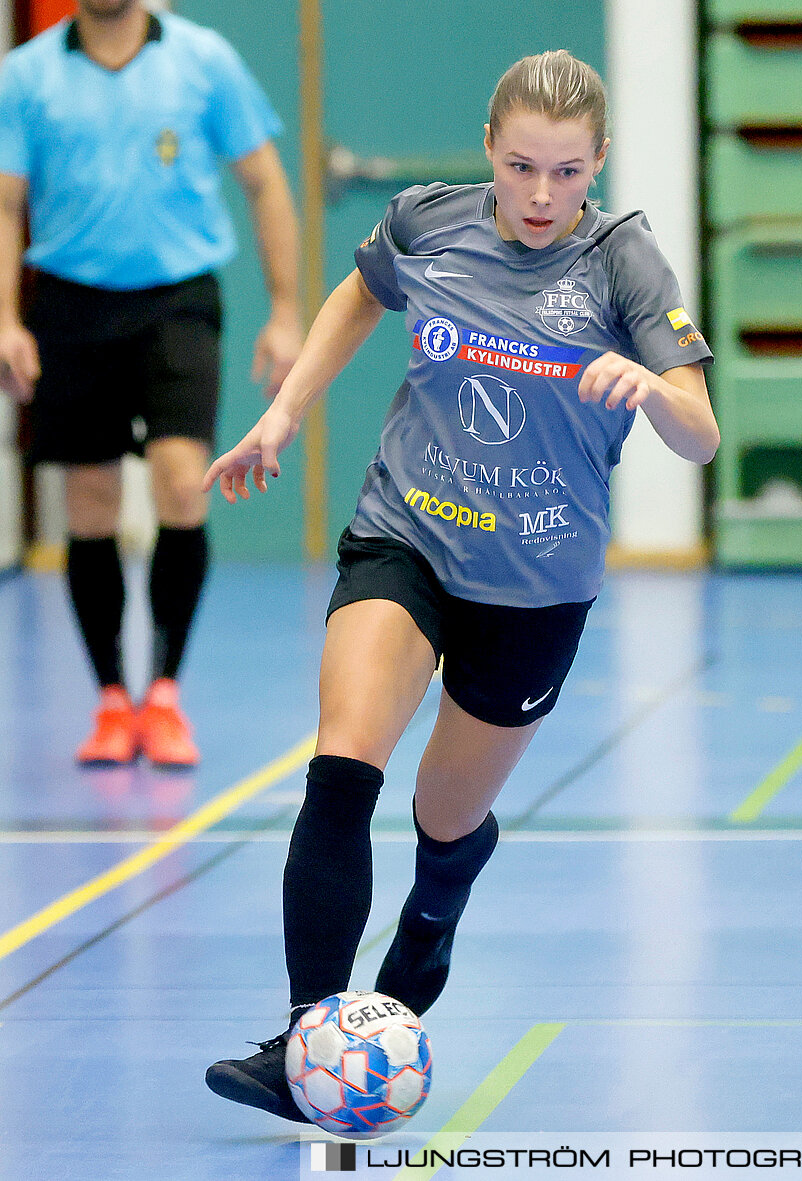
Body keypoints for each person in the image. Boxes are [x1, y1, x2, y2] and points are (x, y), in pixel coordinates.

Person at [200, 49, 718, 1122]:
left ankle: (434, 916)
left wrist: (652, 391)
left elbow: (703, 433)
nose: (540, 195)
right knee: (343, 766)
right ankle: (308, 1041)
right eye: (523, 165)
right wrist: (285, 412)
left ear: (600, 164)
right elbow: (358, 292)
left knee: (446, 817)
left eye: (568, 173)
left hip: (533, 589)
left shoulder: (624, 265)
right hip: (409, 536)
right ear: (489, 145)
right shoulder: (430, 223)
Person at [0, 0, 301, 768]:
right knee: (91, 499)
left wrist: (287, 308)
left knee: (180, 482)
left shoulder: (203, 60)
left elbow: (265, 181)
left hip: (177, 300)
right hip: (68, 302)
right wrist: (8, 319)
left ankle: (164, 692)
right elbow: (6, 207)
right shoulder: (27, 76)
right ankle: (110, 698)